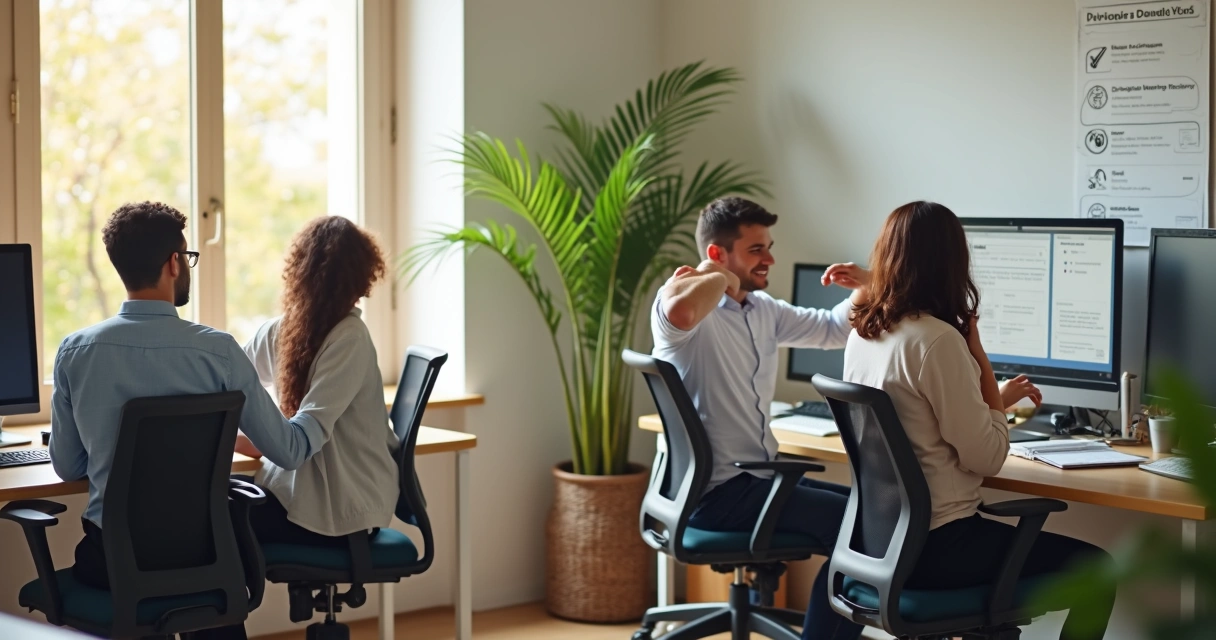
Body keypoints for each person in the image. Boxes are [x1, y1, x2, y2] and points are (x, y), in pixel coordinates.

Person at [51, 201, 326, 640]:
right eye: (188, 256)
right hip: (205, 560)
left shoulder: (75, 352)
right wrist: (324, 410)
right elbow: (289, 452)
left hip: (113, 563)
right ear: (174, 263)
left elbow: (67, 467)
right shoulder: (219, 353)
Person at [844, 201, 1115, 640]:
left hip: (883, 547)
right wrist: (981, 360)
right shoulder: (937, 341)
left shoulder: (864, 335)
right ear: (953, 263)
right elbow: (988, 457)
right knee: (1098, 569)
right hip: (939, 549)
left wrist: (988, 397)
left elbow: (922, 420)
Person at [652, 196, 868, 640]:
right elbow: (682, 310)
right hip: (719, 494)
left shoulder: (762, 310)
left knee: (869, 511)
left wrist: (867, 285)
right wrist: (719, 276)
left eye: (769, 246)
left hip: (753, 481)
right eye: (756, 250)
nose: (770, 258)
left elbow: (834, 328)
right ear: (717, 253)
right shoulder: (680, 300)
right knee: (863, 531)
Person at [235, 215, 398, 549]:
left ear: (299, 273)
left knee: (218, 522)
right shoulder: (281, 330)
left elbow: (301, 440)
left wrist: (232, 438)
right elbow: (228, 376)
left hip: (342, 510)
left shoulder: (349, 338)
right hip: (304, 497)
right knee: (214, 508)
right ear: (362, 277)